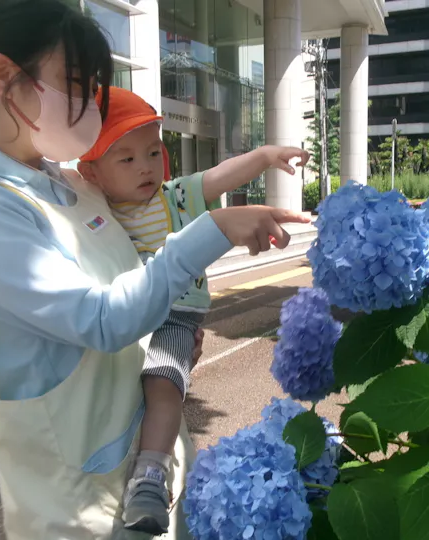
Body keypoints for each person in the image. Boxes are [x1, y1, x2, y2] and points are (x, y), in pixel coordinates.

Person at [0, 0, 309, 538]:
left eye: (94, 88)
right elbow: (100, 319)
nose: (90, 106)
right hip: (83, 505)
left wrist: (161, 334)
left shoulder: (71, 183)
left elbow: (131, 281)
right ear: (5, 77)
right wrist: (214, 230)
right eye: (75, 84)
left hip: (146, 466)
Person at [76, 87, 310, 535]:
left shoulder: (175, 196)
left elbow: (220, 176)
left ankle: (149, 478)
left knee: (165, 385)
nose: (145, 166)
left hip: (178, 314)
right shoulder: (96, 210)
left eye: (152, 151)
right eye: (125, 159)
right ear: (92, 172)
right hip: (126, 316)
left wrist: (263, 155)